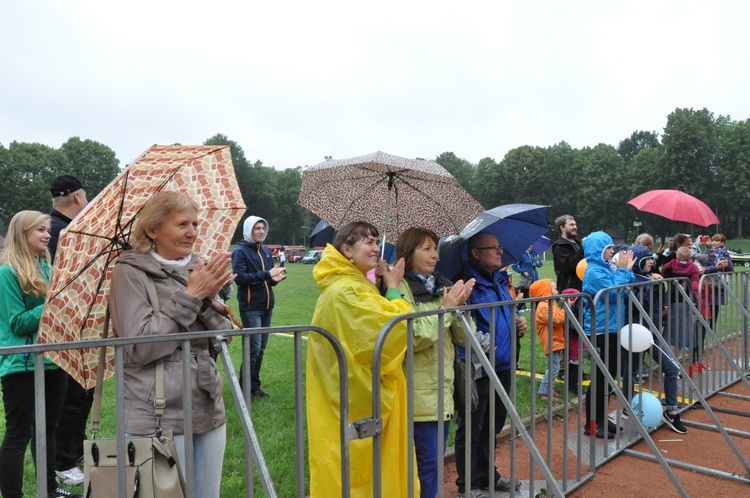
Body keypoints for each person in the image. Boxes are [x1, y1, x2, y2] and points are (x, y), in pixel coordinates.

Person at [108, 191, 234, 497]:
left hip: (207, 407)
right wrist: (190, 297)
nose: (192, 232)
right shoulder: (130, 272)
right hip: (156, 415)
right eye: (181, 224)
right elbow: (140, 346)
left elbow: (224, 337)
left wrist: (204, 297)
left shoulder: (198, 269)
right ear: (153, 230)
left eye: (195, 223)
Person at [305, 221, 417, 497]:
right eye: (368, 241)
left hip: (355, 400)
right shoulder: (346, 290)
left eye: (377, 241)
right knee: (355, 475)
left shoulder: (355, 285)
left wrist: (380, 287)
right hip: (350, 403)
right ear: (346, 250)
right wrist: (392, 289)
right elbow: (393, 330)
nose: (377, 247)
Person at [394, 227, 475, 498]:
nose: (435, 256)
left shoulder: (442, 285)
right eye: (426, 249)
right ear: (407, 254)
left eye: (435, 249)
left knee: (432, 465)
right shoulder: (398, 289)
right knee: (425, 467)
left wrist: (459, 308)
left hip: (441, 392)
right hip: (415, 395)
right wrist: (446, 310)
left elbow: (466, 337)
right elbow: (413, 337)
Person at [0, 211, 74, 498]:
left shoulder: (46, 267)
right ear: (22, 234)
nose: (47, 234)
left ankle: (48, 490)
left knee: (48, 430)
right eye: (39, 230)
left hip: (54, 362)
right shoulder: (7, 273)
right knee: (19, 434)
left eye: (47, 229)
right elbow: (16, 323)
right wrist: (53, 304)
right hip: (22, 365)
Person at [454, 232, 526, 496]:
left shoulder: (499, 280)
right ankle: (468, 485)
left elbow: (505, 316)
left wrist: (518, 322)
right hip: (478, 369)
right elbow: (462, 327)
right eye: (493, 248)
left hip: (504, 365)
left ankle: (487, 476)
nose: (500, 252)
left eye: (500, 247)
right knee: (473, 428)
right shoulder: (465, 284)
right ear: (475, 253)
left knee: (493, 427)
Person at [48, 175, 93, 488]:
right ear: (78, 198)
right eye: (86, 198)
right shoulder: (56, 231)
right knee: (72, 398)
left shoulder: (59, 228)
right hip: (66, 327)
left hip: (80, 324)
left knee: (83, 393)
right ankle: (62, 462)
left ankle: (74, 452)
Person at [622, 245, 687, 433]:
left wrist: (658, 284)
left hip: (652, 334)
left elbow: (658, 305)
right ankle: (628, 405)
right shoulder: (631, 280)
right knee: (631, 372)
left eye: (652, 258)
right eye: (648, 258)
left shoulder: (650, 279)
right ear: (638, 260)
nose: (652, 261)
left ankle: (672, 412)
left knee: (671, 368)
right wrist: (650, 284)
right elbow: (636, 302)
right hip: (635, 333)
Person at [581, 231, 635, 439]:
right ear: (599, 250)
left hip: (612, 327)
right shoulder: (594, 271)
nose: (613, 251)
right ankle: (592, 424)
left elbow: (623, 287)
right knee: (600, 377)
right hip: (601, 330)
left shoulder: (606, 268)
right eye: (609, 248)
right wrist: (622, 272)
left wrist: (626, 270)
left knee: (609, 376)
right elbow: (613, 294)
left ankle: (601, 420)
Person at [232, 216, 287, 397]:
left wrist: (274, 280)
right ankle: (244, 388)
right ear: (249, 230)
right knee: (253, 349)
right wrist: (266, 274)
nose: (261, 231)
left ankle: (254, 387)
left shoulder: (265, 252)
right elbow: (240, 278)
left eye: (263, 228)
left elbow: (266, 280)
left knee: (261, 349)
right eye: (257, 228)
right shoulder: (240, 252)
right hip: (251, 308)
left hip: (267, 306)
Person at [551, 215, 585, 391]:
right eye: (571, 224)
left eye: (575, 223)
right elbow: (568, 266)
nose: (575, 226)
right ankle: (568, 374)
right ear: (562, 227)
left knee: (580, 334)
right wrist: (581, 250)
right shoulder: (559, 247)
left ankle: (576, 369)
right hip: (569, 293)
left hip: (582, 292)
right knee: (571, 334)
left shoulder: (577, 244)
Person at [529, 278, 565, 402]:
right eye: (554, 288)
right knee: (553, 367)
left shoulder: (549, 304)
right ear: (546, 291)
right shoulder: (544, 306)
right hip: (551, 342)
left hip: (555, 341)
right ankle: (545, 392)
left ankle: (549, 389)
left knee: (553, 366)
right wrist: (566, 310)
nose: (557, 291)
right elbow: (556, 320)